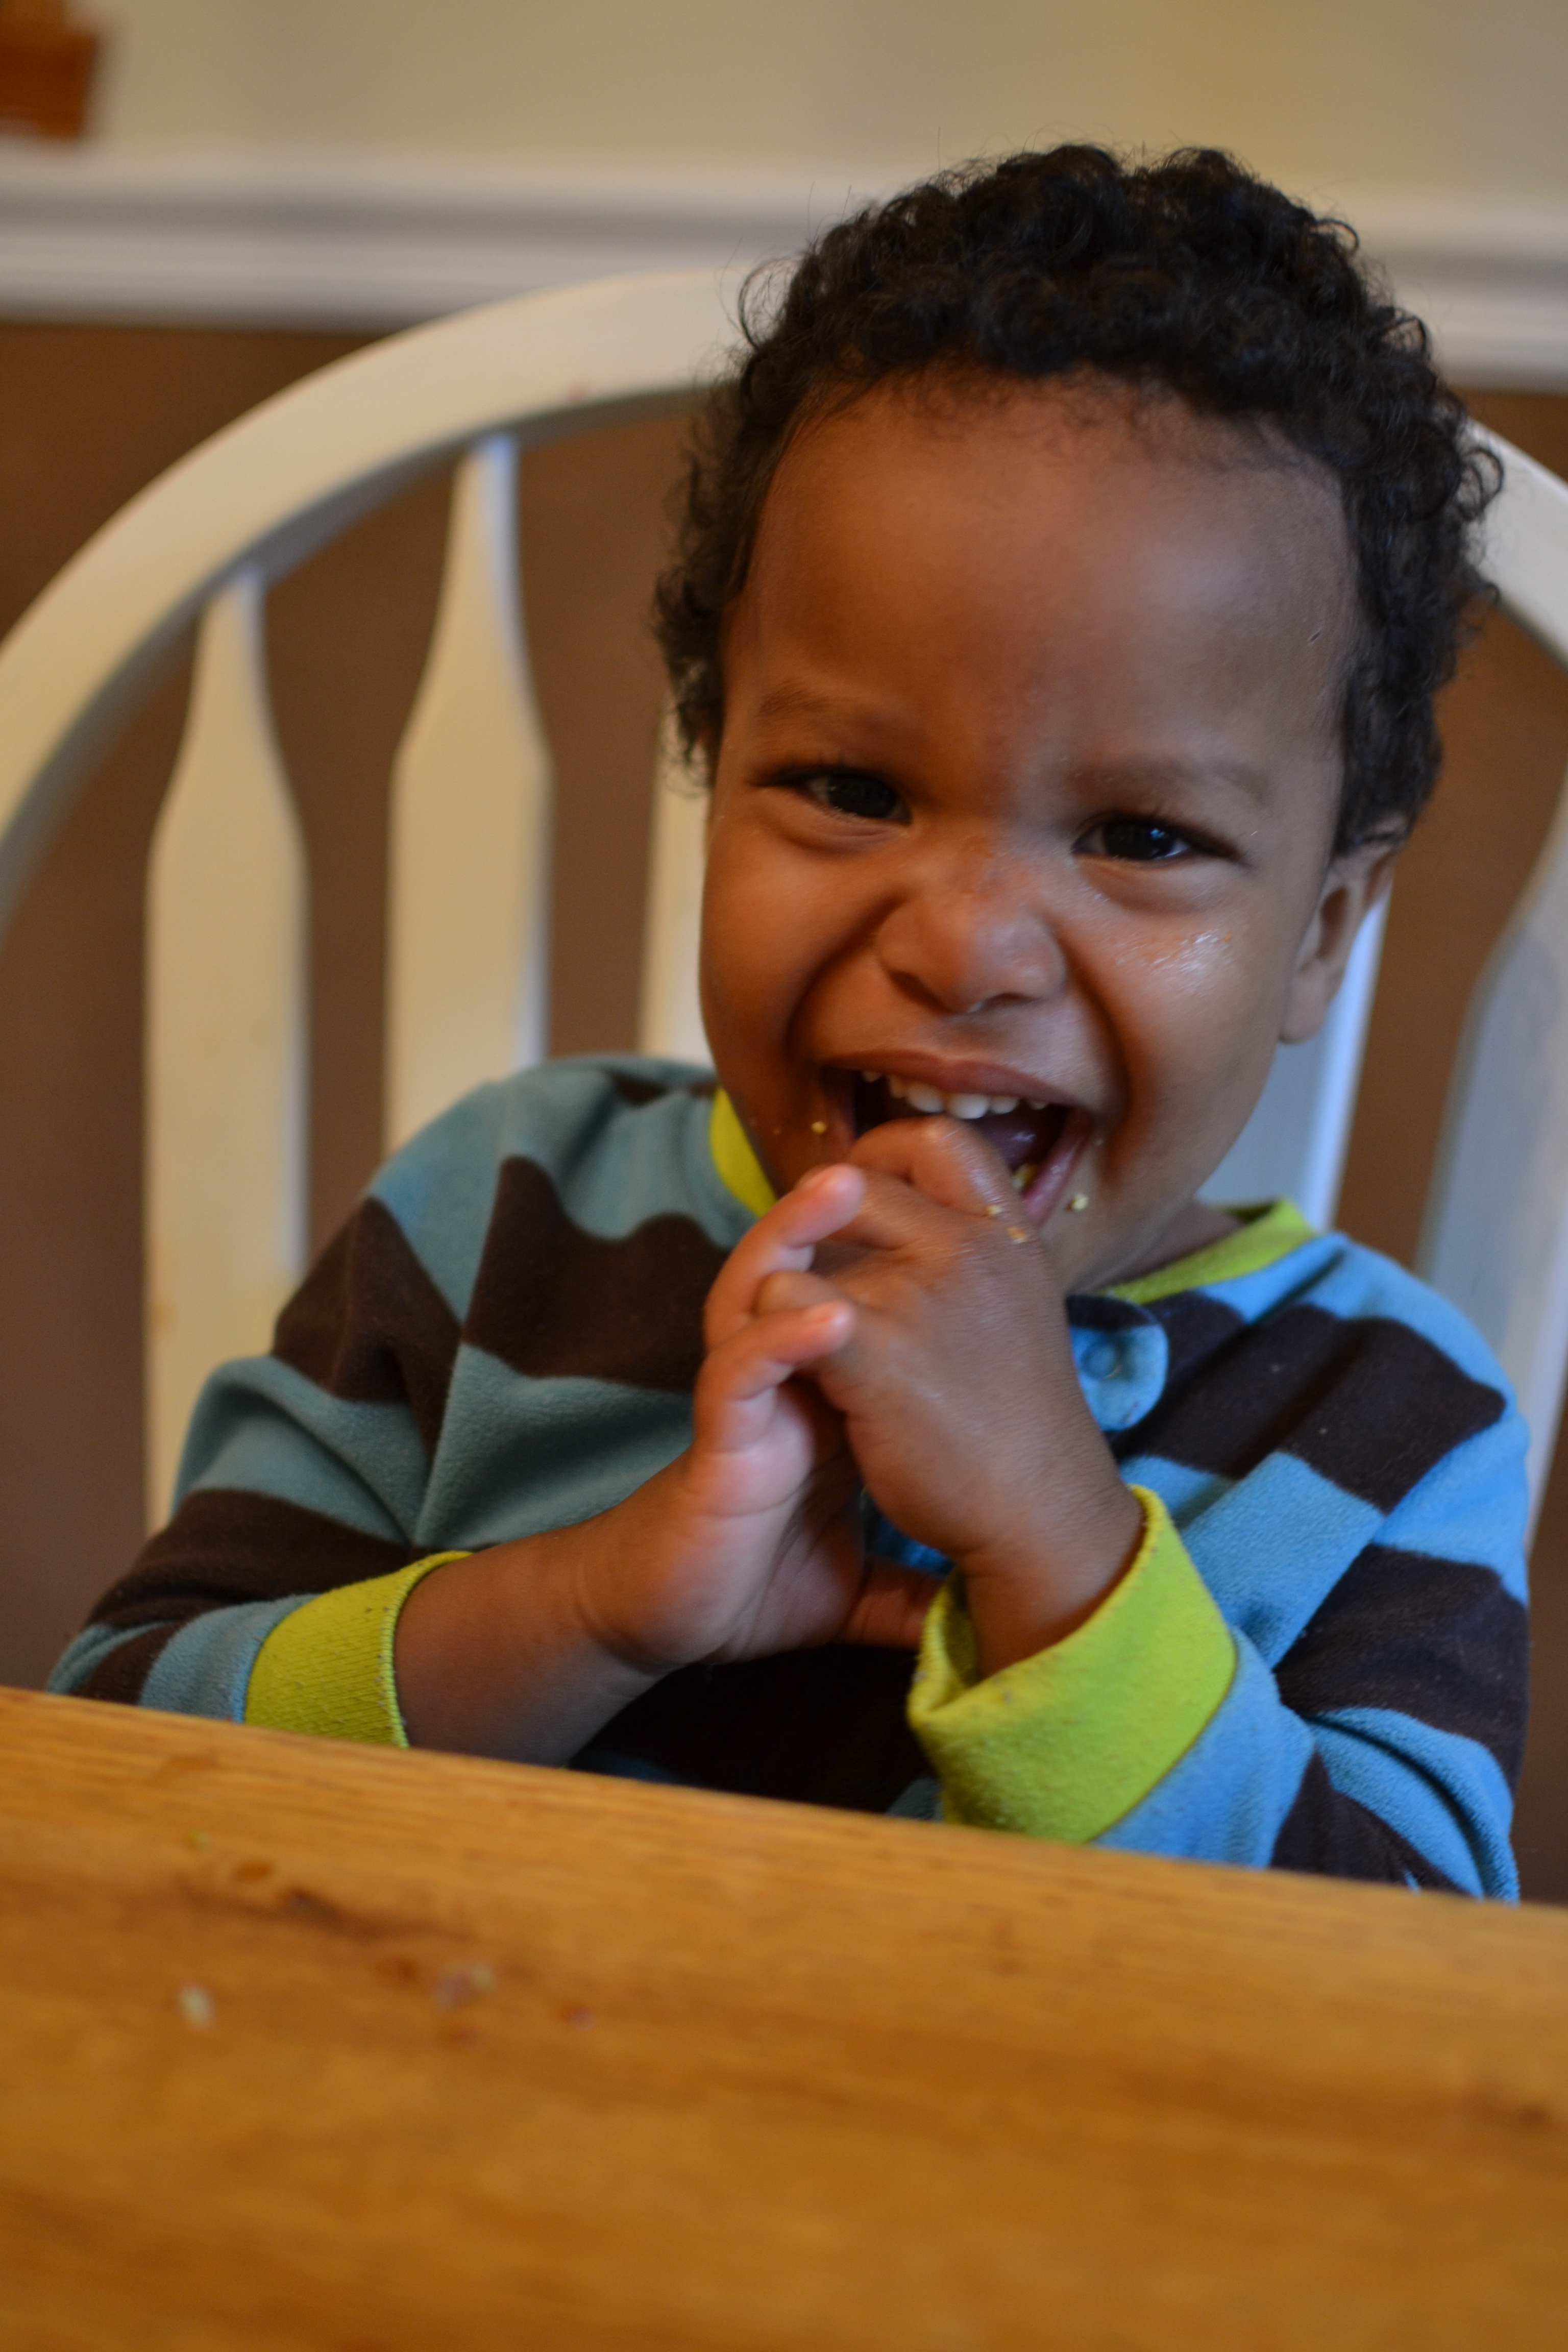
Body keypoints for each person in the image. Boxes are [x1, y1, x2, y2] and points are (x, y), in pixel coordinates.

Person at [52, 146, 1528, 1895]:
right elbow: (122, 1736)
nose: (967, 946)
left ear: (1322, 934)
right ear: (714, 767)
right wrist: (590, 1607)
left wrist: (1063, 1550)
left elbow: (1399, 1970)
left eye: (1140, 837)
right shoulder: (499, 1215)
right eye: (849, 787)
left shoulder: (1388, 1422)